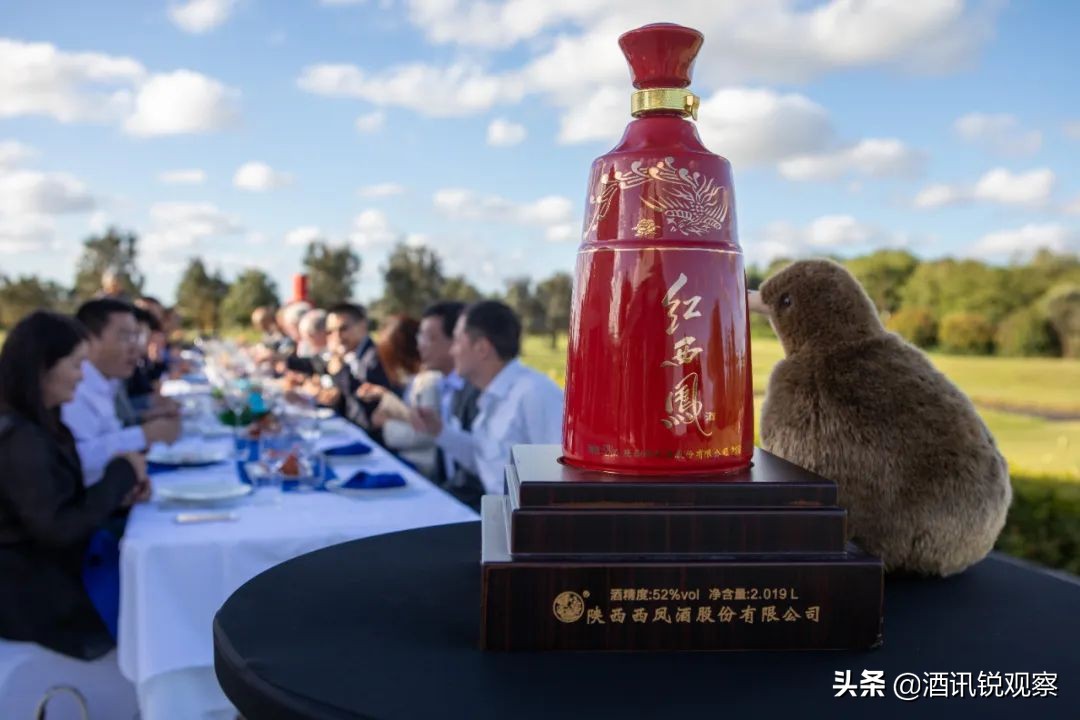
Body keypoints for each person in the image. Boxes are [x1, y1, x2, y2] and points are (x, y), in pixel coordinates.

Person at [0, 311, 150, 660]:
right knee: (155, 588)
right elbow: (59, 529)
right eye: (75, 365)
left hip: (49, 573)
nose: (82, 376)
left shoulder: (41, 425)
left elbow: (60, 504)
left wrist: (119, 498)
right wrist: (121, 474)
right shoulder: (21, 440)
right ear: (43, 368)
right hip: (35, 595)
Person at [412, 301, 564, 507]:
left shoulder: (535, 394)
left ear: (482, 348)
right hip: (502, 519)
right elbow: (483, 460)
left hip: (526, 525)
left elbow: (562, 480)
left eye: (457, 341)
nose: (452, 351)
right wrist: (439, 430)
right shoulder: (493, 395)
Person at [62, 300, 180, 485]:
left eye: (136, 337)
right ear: (89, 340)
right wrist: (145, 435)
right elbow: (77, 461)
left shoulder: (106, 381)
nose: (137, 348)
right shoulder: (74, 388)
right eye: (125, 337)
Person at [320, 303, 394, 438]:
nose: (337, 337)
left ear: (363, 326)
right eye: (330, 332)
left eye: (343, 329)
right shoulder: (349, 355)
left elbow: (367, 404)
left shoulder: (376, 357)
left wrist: (340, 372)